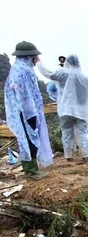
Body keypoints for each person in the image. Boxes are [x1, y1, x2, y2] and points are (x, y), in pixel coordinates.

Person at [4, 41, 53, 179]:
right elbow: (20, 92)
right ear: (28, 56)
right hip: (25, 112)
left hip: (30, 110)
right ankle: (31, 171)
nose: (36, 59)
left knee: (33, 138)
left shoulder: (24, 69)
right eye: (34, 56)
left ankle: (33, 169)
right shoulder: (19, 71)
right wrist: (28, 109)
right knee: (28, 139)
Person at [38, 54, 88, 163]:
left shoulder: (63, 73)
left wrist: (39, 63)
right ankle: (86, 156)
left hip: (66, 109)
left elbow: (49, 74)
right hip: (81, 111)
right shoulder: (85, 78)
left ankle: (69, 157)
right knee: (83, 132)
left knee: (67, 132)